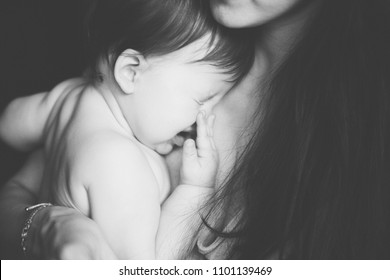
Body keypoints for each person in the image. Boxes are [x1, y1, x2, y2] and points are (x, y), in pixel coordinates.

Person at [1, 0, 390, 259]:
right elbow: (17, 194)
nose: (202, 111)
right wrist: (47, 225)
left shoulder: (358, 139)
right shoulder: (175, 43)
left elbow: (16, 123)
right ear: (129, 71)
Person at [0, 0, 253, 259]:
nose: (206, 115)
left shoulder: (68, 95)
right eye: (202, 99)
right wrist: (195, 190)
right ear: (130, 72)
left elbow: (9, 126)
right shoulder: (122, 165)